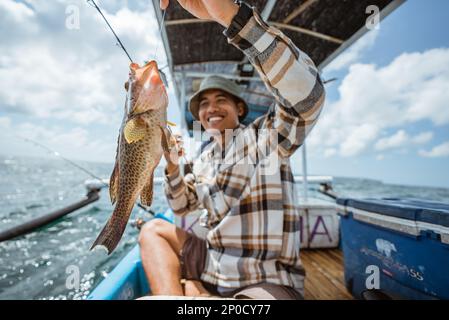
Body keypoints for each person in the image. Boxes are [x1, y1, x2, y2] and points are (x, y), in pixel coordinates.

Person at [139, 0, 325, 299]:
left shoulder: (266, 137)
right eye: (203, 104)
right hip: (212, 264)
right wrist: (172, 167)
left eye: (220, 100)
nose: (210, 108)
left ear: (240, 107)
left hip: (264, 277)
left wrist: (230, 16)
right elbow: (182, 206)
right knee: (152, 231)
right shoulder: (202, 159)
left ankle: (195, 293)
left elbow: (306, 99)